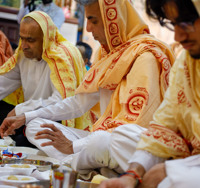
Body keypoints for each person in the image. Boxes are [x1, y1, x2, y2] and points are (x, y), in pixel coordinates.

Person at [0, 0, 174, 165]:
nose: (89, 28)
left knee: (102, 139)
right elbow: (78, 103)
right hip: (99, 141)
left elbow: (129, 129)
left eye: (94, 20)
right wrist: (26, 116)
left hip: (125, 145)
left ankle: (76, 162)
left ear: (114, 20)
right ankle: (78, 162)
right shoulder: (107, 55)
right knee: (36, 126)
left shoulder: (145, 57)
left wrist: (72, 146)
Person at [92, 0, 200, 188]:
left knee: (173, 185)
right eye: (173, 24)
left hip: (189, 163)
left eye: (186, 23)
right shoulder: (186, 63)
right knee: (120, 136)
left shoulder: (147, 55)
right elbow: (163, 124)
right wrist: (132, 174)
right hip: (185, 154)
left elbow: (141, 114)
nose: (177, 36)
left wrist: (164, 172)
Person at [0, 11, 92, 147]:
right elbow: (3, 83)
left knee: (34, 128)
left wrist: (21, 110)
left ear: (46, 39)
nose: (24, 45)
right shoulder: (22, 54)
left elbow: (61, 102)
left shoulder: (62, 56)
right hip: (27, 118)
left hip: (57, 121)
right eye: (22, 38)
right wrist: (22, 112)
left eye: (30, 40)